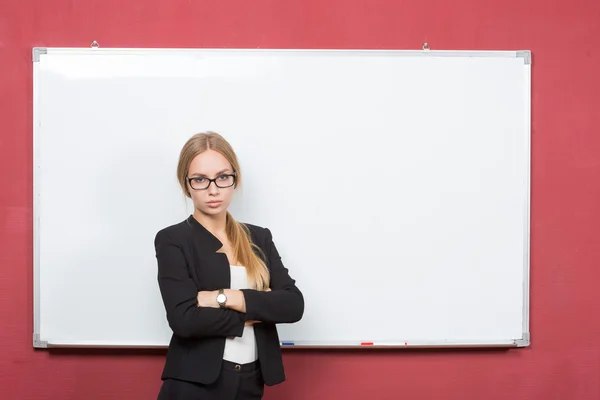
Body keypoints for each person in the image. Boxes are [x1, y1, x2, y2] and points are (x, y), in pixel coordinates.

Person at [154, 132, 304, 399]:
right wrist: (258, 307)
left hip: (251, 381)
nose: (213, 189)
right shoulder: (173, 239)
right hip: (193, 384)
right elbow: (184, 320)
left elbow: (293, 305)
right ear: (185, 184)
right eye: (200, 179)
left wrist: (222, 298)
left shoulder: (258, 237)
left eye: (223, 177)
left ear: (235, 179)